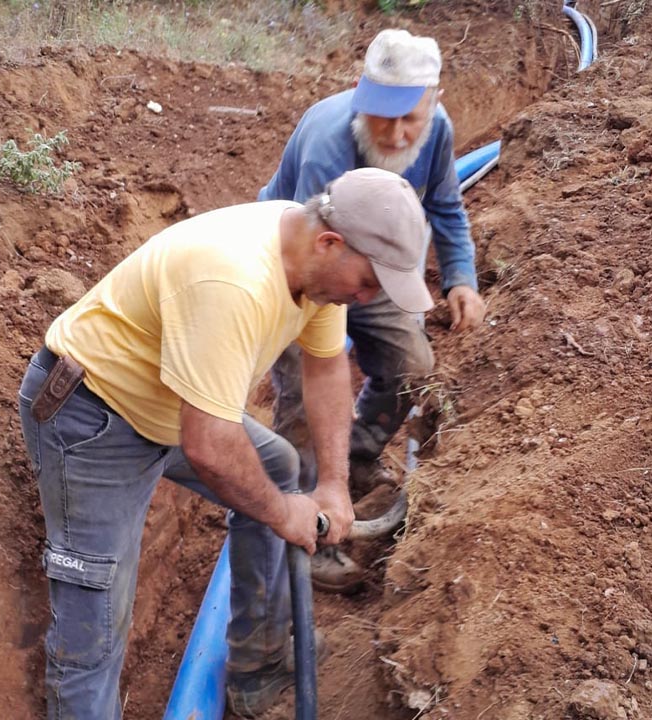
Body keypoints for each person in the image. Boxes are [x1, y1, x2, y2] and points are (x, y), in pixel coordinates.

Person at [18, 168, 432, 718]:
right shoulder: (235, 280)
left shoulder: (313, 266)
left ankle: (257, 669)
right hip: (94, 415)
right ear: (330, 243)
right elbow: (210, 444)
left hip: (168, 404)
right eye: (370, 282)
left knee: (279, 465)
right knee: (94, 617)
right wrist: (284, 511)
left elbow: (327, 367)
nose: (367, 296)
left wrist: (332, 483)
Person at [258, 28, 486, 593]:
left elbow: (447, 208)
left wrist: (460, 277)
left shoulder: (436, 133)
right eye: (384, 118)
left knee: (412, 365)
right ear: (362, 97)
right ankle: (310, 528)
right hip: (300, 271)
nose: (397, 133)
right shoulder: (329, 143)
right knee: (304, 404)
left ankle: (354, 460)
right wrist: (323, 362)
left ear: (433, 102)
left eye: (411, 118)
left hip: (376, 267)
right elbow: (317, 261)